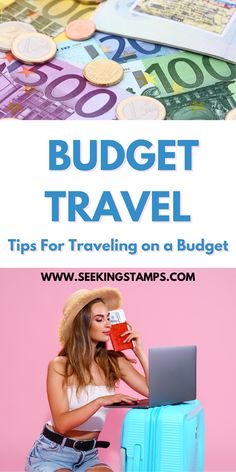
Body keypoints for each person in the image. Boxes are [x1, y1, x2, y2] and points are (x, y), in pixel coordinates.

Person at [25, 287, 149, 472]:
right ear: (82, 325)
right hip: (52, 453)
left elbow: (154, 391)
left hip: (89, 456)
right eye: (99, 319)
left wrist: (139, 351)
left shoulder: (115, 362)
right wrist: (100, 401)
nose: (108, 324)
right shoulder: (59, 365)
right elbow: (62, 424)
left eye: (108, 318)